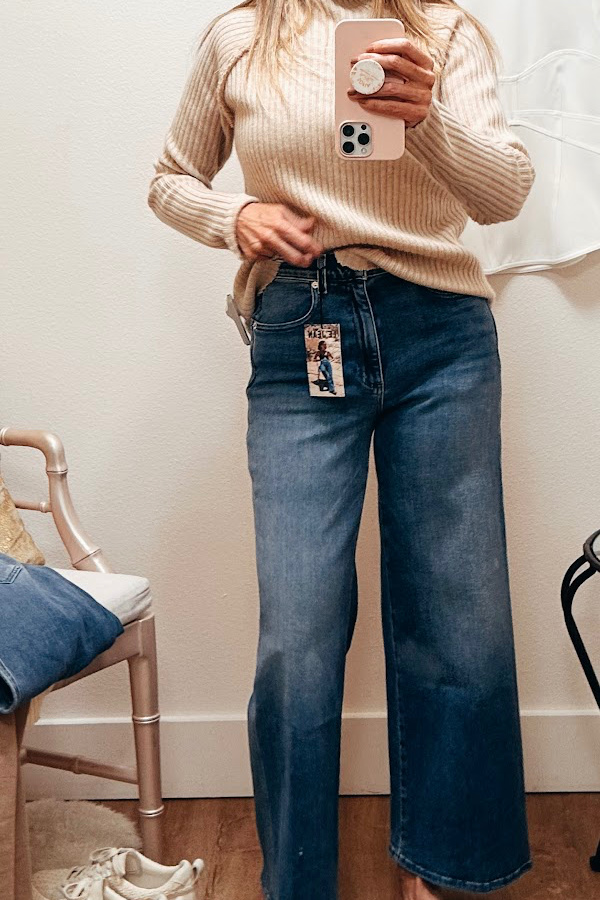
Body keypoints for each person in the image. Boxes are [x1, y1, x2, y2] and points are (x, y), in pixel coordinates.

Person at [148, 1, 536, 898]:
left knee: (460, 627)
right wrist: (233, 215)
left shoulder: (445, 33)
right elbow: (170, 178)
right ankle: (298, 884)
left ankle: (447, 872)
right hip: (300, 331)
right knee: (298, 639)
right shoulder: (241, 35)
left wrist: (426, 121)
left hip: (440, 334)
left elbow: (506, 193)